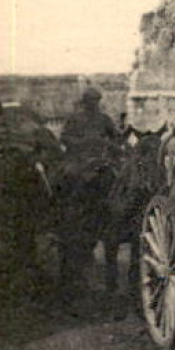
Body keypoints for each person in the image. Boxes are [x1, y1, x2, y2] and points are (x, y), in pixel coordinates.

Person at [57, 86, 122, 312]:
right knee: (67, 175)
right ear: (84, 102)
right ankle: (64, 209)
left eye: (96, 100)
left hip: (100, 160)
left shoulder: (104, 119)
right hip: (78, 159)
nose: (93, 103)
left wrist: (108, 145)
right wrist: (82, 144)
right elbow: (65, 138)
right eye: (90, 100)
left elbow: (115, 138)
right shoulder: (75, 119)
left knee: (116, 176)